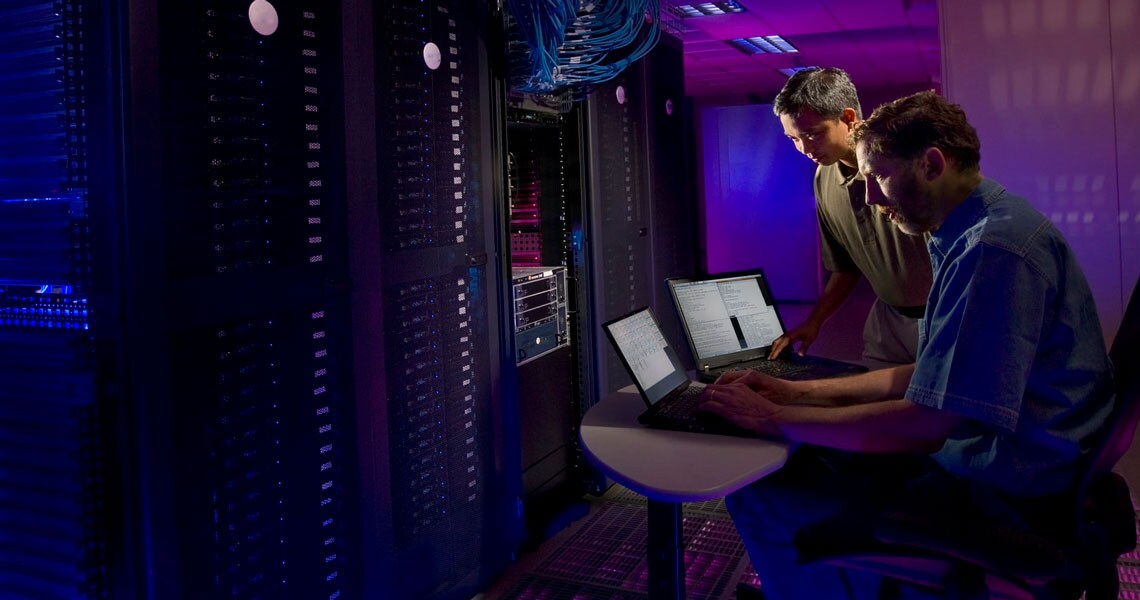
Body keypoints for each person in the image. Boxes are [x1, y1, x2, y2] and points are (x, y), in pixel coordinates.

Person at [699, 91, 1115, 599]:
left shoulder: (992, 251)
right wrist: (795, 396)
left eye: (878, 177)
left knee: (762, 490)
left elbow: (927, 423)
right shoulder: (979, 226)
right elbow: (931, 374)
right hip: (1021, 458)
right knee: (810, 449)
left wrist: (769, 419)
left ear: (932, 163)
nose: (871, 198)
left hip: (1006, 486)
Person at [769, 68, 931, 369]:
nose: (804, 149)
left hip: (944, 315)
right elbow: (845, 267)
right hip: (887, 318)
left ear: (847, 118)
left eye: (812, 134)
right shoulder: (822, 178)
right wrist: (814, 321)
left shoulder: (904, 163)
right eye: (793, 139)